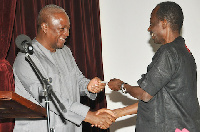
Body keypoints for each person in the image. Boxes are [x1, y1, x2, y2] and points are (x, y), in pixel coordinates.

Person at [98, 1, 200, 132]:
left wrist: (122, 86)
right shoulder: (185, 53)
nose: (149, 28)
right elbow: (154, 100)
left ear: (164, 23)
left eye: (152, 23)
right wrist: (116, 113)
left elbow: (145, 94)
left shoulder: (168, 52)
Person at [13, 4, 115, 132]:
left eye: (68, 29)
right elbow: (48, 97)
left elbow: (77, 80)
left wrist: (88, 86)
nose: (67, 34)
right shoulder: (26, 58)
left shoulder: (65, 52)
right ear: (45, 27)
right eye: (62, 29)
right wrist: (89, 116)